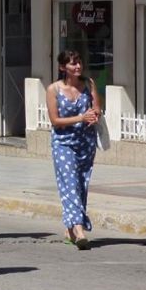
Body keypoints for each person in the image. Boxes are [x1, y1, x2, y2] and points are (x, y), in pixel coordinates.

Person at [46, 49, 100, 251]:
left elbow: (97, 108)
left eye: (79, 62)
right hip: (63, 143)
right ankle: (79, 230)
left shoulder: (89, 84)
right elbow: (55, 121)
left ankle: (69, 230)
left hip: (86, 142)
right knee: (69, 184)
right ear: (62, 67)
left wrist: (95, 115)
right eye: (72, 63)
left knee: (81, 184)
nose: (78, 66)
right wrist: (81, 118)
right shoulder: (53, 89)